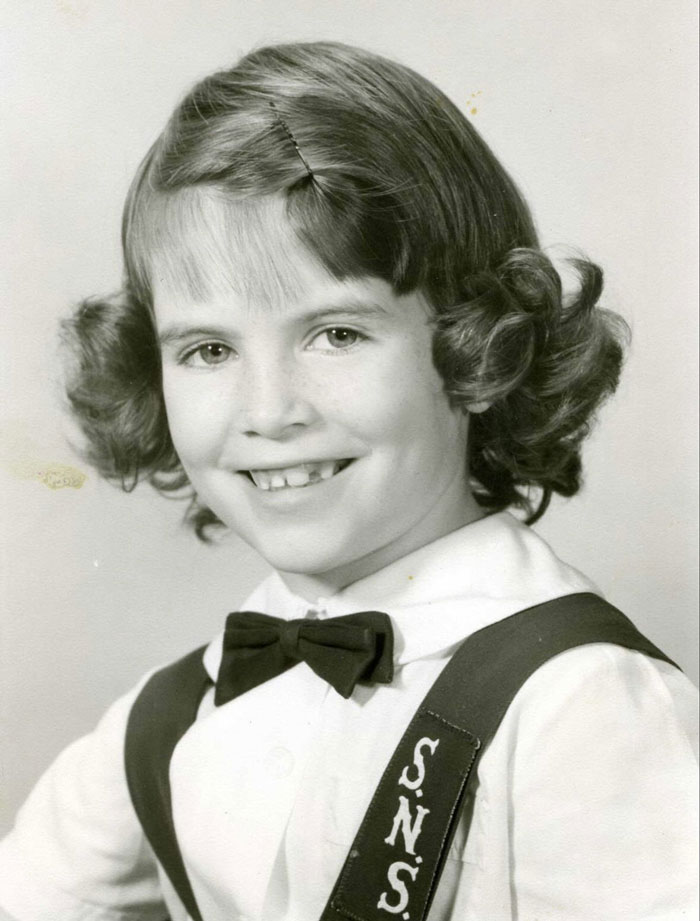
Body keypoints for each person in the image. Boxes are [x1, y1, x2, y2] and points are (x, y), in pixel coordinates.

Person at [0, 40, 696, 921]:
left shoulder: (581, 707)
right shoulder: (166, 720)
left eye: (336, 334)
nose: (269, 410)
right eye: (209, 349)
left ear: (477, 344)